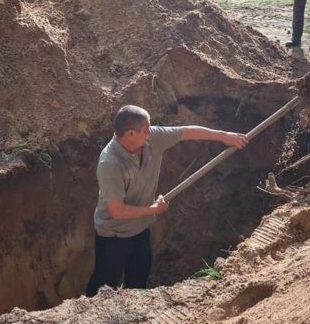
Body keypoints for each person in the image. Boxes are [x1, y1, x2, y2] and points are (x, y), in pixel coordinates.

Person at [85, 105, 248, 297]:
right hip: (114, 234)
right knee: (104, 283)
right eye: (146, 129)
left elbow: (186, 132)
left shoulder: (151, 138)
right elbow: (117, 211)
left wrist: (223, 136)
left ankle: (134, 316)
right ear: (130, 133)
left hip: (140, 228)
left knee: (138, 278)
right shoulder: (110, 164)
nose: (150, 132)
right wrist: (153, 209)